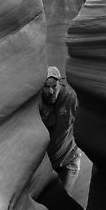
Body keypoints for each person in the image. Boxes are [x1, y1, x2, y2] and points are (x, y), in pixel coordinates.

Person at [39, 66, 82, 195]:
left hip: (69, 161)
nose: (51, 91)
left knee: (61, 203)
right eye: (46, 87)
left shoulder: (71, 98)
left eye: (54, 86)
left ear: (60, 83)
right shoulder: (38, 101)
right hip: (48, 165)